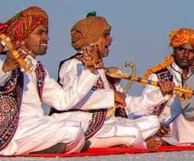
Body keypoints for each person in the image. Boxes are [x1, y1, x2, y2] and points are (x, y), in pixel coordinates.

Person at [0, 6, 110, 155]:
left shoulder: (37, 69)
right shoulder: (2, 60)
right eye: (40, 33)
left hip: (33, 125)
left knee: (76, 129)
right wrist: (5, 68)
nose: (46, 38)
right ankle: (15, 148)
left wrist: (89, 71)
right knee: (73, 132)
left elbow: (62, 101)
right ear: (23, 36)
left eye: (46, 32)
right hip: (9, 129)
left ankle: (50, 146)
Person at [52, 13, 162, 149]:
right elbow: (71, 99)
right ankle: (135, 144)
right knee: (133, 133)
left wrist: (161, 94)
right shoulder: (73, 64)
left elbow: (128, 104)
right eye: (105, 35)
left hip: (106, 123)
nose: (110, 40)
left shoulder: (101, 70)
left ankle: (113, 142)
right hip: (80, 122)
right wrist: (111, 96)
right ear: (92, 39)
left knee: (153, 122)